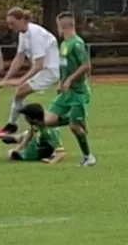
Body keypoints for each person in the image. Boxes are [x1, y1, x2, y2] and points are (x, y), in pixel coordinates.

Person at [0, 7, 60, 138]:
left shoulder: (36, 34)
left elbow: (39, 65)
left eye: (12, 23)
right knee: (20, 93)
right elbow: (18, 59)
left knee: (20, 91)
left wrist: (19, 80)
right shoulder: (23, 34)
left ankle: (14, 126)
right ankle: (17, 126)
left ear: (23, 20)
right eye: (8, 23)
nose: (10, 26)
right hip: (44, 70)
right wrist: (4, 80)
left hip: (50, 71)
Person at [46, 11, 95, 166]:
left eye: (58, 26)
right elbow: (65, 66)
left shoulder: (77, 43)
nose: (57, 30)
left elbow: (86, 65)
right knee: (49, 120)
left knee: (74, 128)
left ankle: (88, 157)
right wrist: (61, 81)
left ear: (63, 26)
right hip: (67, 92)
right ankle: (77, 120)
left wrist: (70, 80)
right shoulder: (64, 44)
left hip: (78, 92)